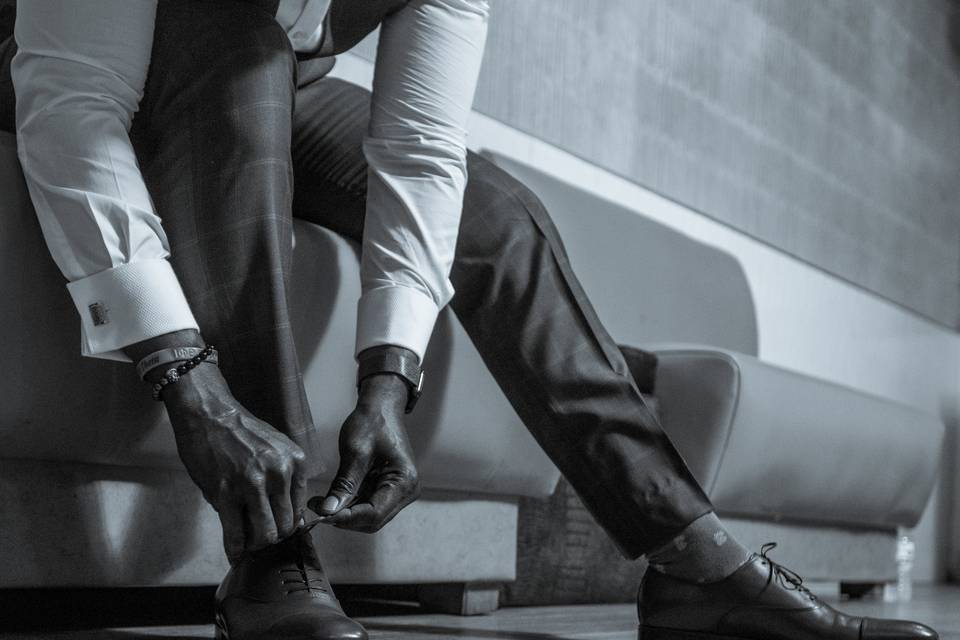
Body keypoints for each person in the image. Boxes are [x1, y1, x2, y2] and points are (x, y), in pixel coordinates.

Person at [0, 1, 938, 639]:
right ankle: (269, 546)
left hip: (270, 81)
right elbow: (72, 95)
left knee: (496, 214)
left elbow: (420, 153)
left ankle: (688, 551)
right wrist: (187, 379)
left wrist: (389, 377)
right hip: (75, 70)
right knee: (242, 56)